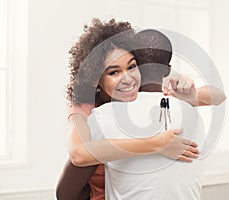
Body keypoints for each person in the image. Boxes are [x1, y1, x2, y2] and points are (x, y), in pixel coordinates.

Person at [56, 19, 213, 200]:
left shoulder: (143, 105)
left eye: (131, 67)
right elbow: (78, 157)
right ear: (94, 79)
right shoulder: (90, 112)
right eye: (114, 72)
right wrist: (156, 144)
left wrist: (188, 90)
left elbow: (214, 95)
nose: (128, 79)